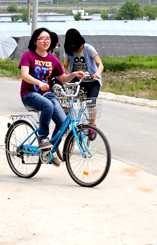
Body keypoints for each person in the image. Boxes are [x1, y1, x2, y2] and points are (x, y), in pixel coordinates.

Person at [19, 28, 85, 167]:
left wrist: (74, 74)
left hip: (47, 94)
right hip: (29, 93)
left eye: (48, 38)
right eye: (42, 38)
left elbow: (62, 78)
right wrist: (39, 83)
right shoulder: (28, 55)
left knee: (62, 123)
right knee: (47, 105)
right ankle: (43, 139)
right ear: (35, 41)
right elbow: (25, 75)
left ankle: (50, 151)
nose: (46, 40)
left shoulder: (53, 59)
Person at [63, 28, 104, 131]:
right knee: (68, 101)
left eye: (74, 43)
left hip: (91, 80)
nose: (73, 46)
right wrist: (62, 76)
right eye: (70, 43)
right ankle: (69, 123)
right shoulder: (69, 51)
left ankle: (92, 126)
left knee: (91, 102)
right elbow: (65, 66)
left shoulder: (89, 48)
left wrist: (97, 74)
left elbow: (100, 64)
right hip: (77, 80)